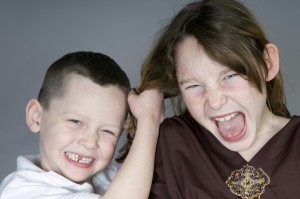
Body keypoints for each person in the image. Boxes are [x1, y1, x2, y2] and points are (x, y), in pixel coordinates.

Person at [135, 0, 300, 198]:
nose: (215, 101)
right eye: (194, 85)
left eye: (230, 76)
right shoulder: (172, 143)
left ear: (268, 63)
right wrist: (147, 120)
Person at [0, 51, 164, 199]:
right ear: (36, 117)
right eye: (76, 121)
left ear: (123, 130)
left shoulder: (110, 174)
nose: (90, 142)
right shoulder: (19, 190)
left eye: (107, 130)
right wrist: (149, 121)